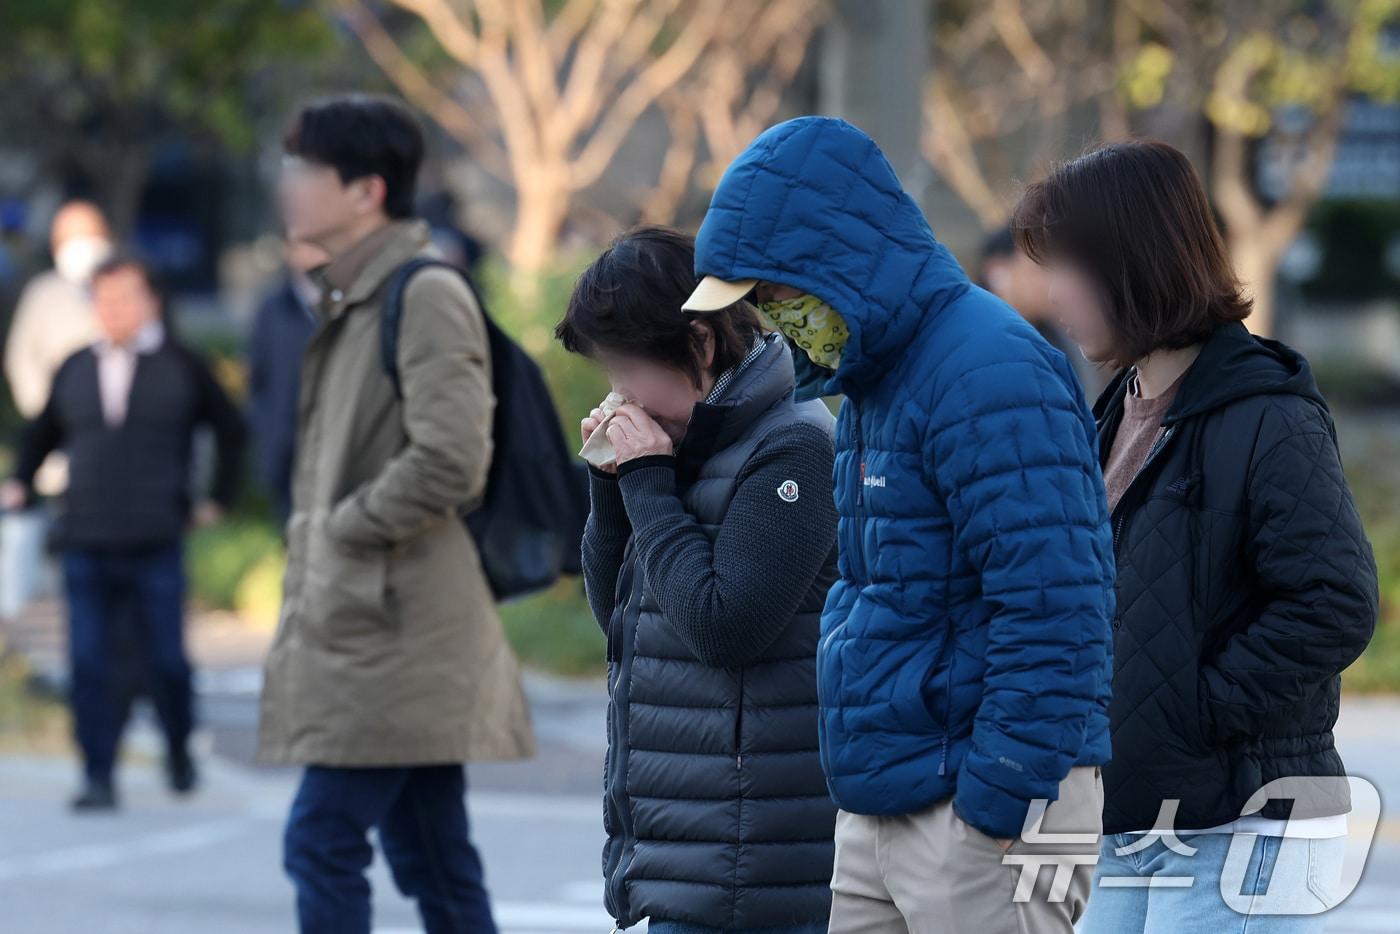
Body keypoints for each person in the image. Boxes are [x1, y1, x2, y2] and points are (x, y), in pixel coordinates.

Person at [682, 116, 1116, 933]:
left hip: (987, 804)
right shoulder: (878, 379)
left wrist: (999, 794)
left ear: (830, 263)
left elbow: (1060, 604)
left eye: (773, 293)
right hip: (893, 797)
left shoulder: (987, 366)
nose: (773, 319)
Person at [1012, 139, 1379, 932]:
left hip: (1249, 828)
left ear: (1130, 264)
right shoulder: (1108, 418)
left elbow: (1335, 602)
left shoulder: (1267, 414)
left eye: (1068, 266)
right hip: (1124, 820)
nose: (1053, 293)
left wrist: (1191, 708)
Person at [256, 94, 534, 934]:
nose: (290, 185)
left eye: (307, 169)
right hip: (377, 617)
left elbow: (452, 455)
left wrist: (344, 527)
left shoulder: (422, 293)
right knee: (433, 857)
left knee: (321, 839)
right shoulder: (352, 295)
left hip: (399, 627)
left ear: (366, 191)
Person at [557, 225, 839, 933]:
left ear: (701, 347)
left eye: (628, 368)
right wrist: (611, 482)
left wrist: (649, 482)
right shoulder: (691, 440)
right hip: (693, 850)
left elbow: (725, 625)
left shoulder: (793, 445)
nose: (620, 392)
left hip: (758, 861)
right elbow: (620, 620)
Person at [0, 253, 245, 810]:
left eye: (124, 297)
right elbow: (41, 435)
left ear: (151, 301)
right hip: (86, 534)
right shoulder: (75, 366)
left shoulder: (182, 365)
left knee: (164, 659)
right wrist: (19, 482)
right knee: (88, 660)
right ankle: (97, 773)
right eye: (102, 299)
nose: (112, 310)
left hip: (156, 536)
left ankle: (179, 748)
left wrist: (217, 501)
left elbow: (232, 432)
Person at [1, 200, 112, 618]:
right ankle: (19, 618)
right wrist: (47, 411)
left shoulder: (122, 284)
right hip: (55, 430)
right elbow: (21, 358)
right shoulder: (44, 293)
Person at [978, 225, 1104, 399]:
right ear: (997, 272)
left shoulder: (1062, 336)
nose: (1050, 284)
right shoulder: (977, 344)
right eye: (1038, 269)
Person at [247, 239, 324, 521]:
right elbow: (259, 381)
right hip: (287, 450)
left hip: (335, 446)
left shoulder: (345, 302)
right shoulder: (272, 308)